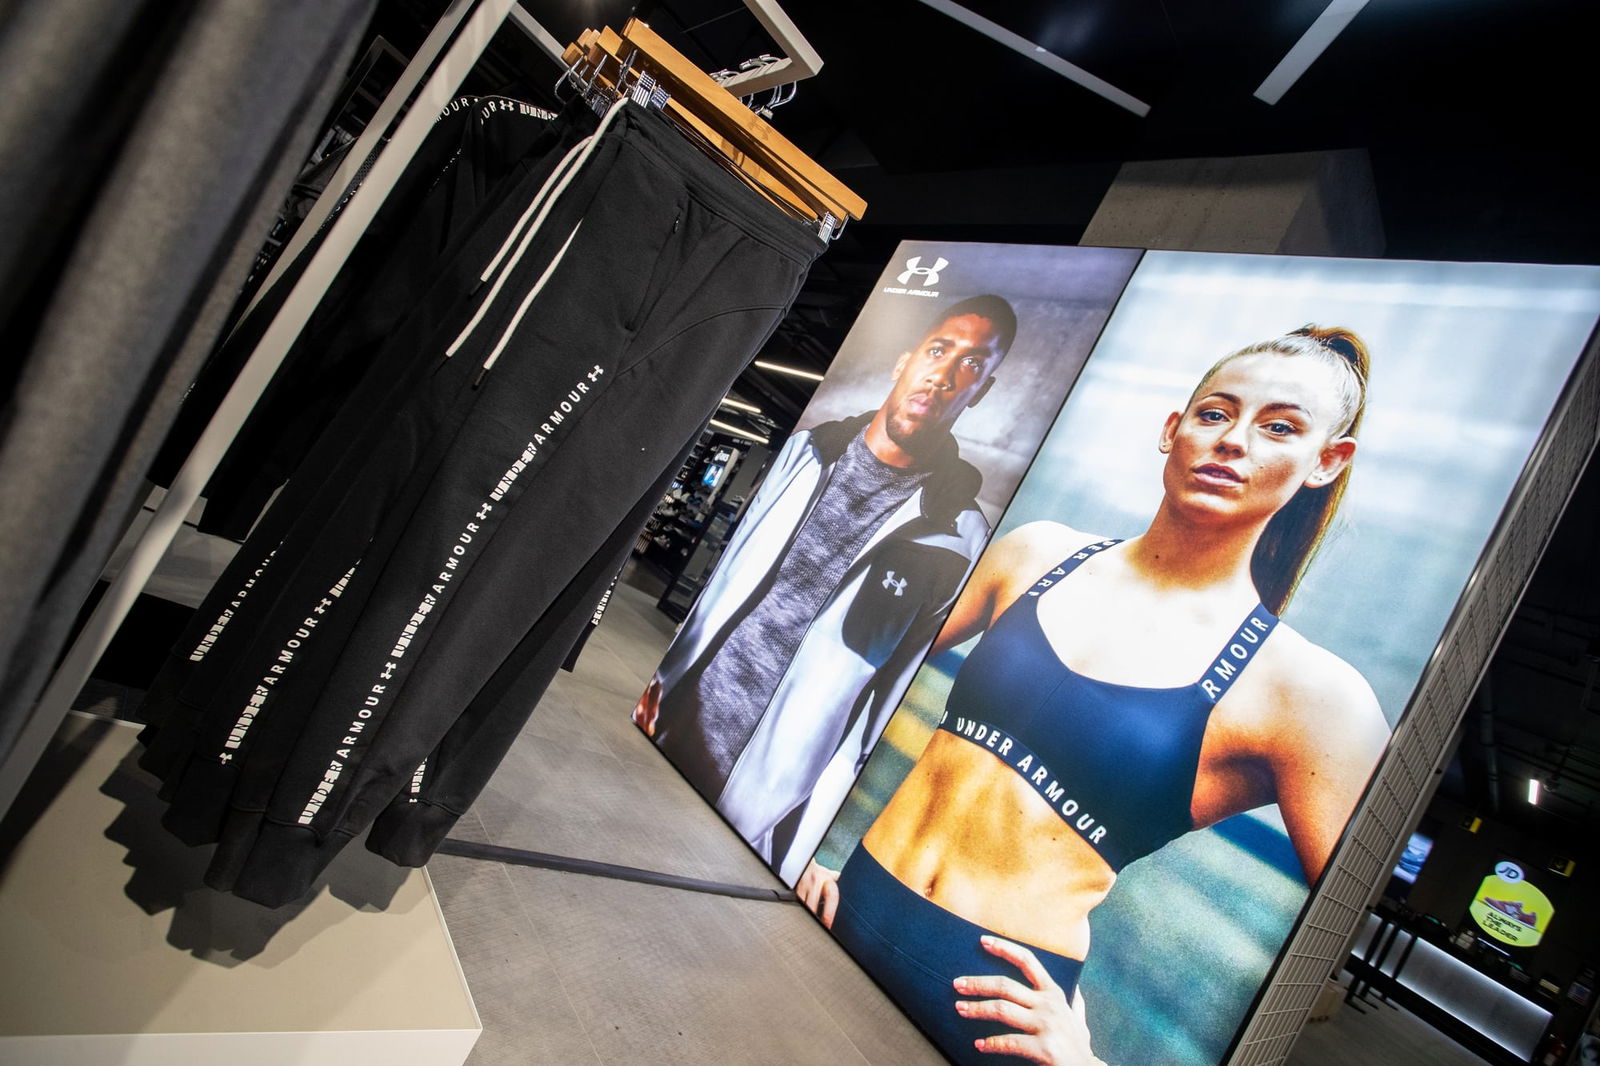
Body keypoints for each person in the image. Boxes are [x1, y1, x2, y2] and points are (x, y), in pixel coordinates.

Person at [797, 325, 1393, 1065]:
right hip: (845, 902)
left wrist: (1089, 1063)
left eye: (1279, 428)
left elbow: (1343, 946)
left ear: (1326, 461)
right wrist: (793, 832)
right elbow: (853, 667)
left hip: (990, 1012)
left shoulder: (1310, 694)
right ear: (1172, 429)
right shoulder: (1035, 553)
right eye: (1214, 413)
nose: (1233, 441)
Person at [634, 295, 1019, 881]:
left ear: (981, 391)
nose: (943, 375)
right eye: (939, 350)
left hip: (764, 796)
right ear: (905, 359)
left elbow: (888, 695)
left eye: (970, 364)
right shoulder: (804, 453)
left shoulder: (960, 537)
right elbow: (726, 582)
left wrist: (811, 837)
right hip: (672, 718)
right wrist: (663, 679)